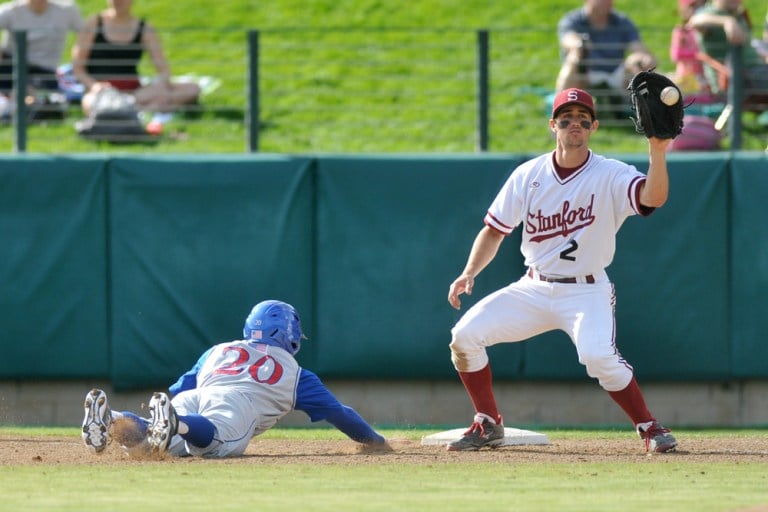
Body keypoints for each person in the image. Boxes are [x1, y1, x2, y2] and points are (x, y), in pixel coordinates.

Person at [444, 88, 678, 454]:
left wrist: (658, 152)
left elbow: (653, 198)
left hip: (586, 291)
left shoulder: (610, 173)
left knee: (599, 357)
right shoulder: (529, 174)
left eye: (583, 119)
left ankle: (649, 426)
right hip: (534, 287)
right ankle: (488, 422)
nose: (575, 124)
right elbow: (494, 230)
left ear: (594, 127)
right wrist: (469, 272)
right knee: (464, 337)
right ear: (553, 125)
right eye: (566, 118)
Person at [81, 300, 390, 457]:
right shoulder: (297, 374)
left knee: (151, 445)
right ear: (291, 334)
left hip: (193, 399)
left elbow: (178, 389)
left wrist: (172, 411)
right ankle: (178, 423)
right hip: (234, 406)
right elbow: (341, 415)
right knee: (212, 446)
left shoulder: (219, 349)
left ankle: (112, 417)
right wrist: (375, 442)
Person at [71, 0, 200, 116]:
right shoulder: (94, 23)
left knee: (192, 89)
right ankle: (140, 112)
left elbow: (163, 70)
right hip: (102, 92)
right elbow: (78, 68)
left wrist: (162, 83)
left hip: (135, 94)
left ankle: (130, 112)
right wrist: (93, 86)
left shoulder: (144, 28)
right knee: (89, 103)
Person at [555, 0, 657, 116]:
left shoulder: (622, 21)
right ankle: (562, 111)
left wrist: (643, 59)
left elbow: (639, 49)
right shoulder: (572, 20)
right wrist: (579, 45)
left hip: (616, 73)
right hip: (587, 74)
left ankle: (641, 113)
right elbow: (568, 39)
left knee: (634, 61)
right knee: (573, 59)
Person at [689, 0, 768, 104]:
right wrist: (726, 21)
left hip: (756, 74)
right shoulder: (710, 13)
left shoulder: (738, 14)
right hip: (735, 80)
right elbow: (695, 20)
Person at [0, 0, 83, 92]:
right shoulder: (10, 11)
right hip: (12, 66)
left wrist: (78, 65)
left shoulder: (67, 10)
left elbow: (84, 33)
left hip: (45, 70)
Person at [670, 0, 709, 94]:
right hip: (687, 76)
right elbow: (675, 55)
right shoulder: (681, 31)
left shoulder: (710, 31)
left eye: (703, 5)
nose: (699, 10)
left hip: (706, 76)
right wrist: (697, 54)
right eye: (694, 7)